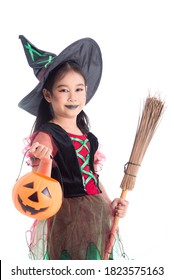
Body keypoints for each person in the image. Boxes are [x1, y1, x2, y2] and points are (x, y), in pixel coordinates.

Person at [18, 35, 129, 260]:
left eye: (78, 89)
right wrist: (46, 162)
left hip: (97, 214)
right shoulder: (47, 135)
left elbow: (92, 176)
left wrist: (110, 204)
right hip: (67, 217)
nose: (73, 97)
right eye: (63, 90)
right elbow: (37, 188)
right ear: (48, 95)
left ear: (86, 91)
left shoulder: (89, 137)